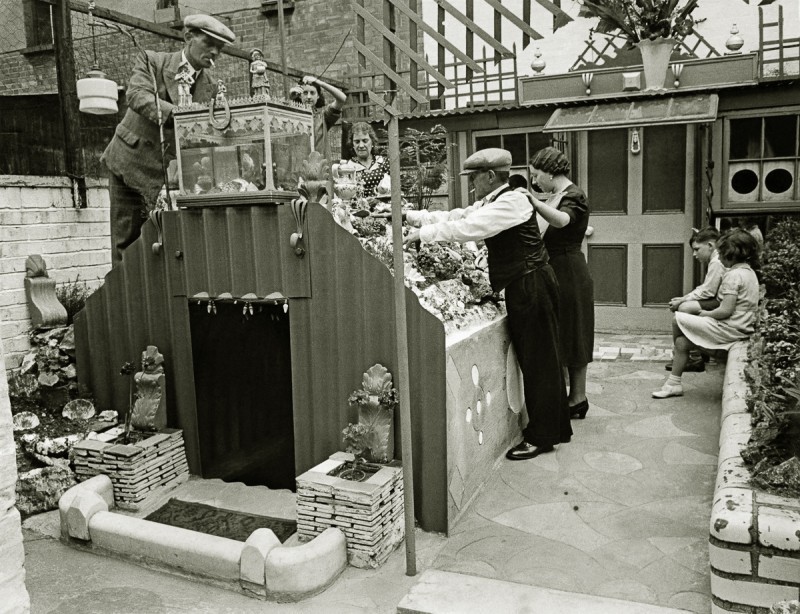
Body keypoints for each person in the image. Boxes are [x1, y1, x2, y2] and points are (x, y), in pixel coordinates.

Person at [403, 148, 572, 460]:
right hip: (527, 283)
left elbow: (470, 228)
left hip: (531, 283)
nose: (471, 184)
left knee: (538, 362)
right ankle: (555, 427)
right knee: (543, 358)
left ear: (491, 176)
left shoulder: (511, 201)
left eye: (474, 178)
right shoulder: (496, 199)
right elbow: (460, 216)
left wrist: (423, 234)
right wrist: (413, 217)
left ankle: (542, 436)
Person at [101, 14, 235, 265]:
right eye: (209, 43)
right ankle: (124, 300)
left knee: (165, 244)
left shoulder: (213, 87)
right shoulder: (153, 61)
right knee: (126, 243)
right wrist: (183, 116)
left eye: (220, 48)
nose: (215, 52)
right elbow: (137, 96)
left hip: (171, 178)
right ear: (188, 38)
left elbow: (211, 131)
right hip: (129, 164)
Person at [525, 147, 594, 420]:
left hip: (569, 271)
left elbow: (563, 221)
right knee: (566, 333)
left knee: (575, 334)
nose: (535, 181)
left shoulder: (574, 196)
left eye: (537, 175)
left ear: (551, 173)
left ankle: (577, 398)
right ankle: (573, 397)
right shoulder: (559, 195)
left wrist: (533, 202)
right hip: (558, 269)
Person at [652, 228, 760, 399]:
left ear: (729, 255)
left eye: (721, 253)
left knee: (678, 318)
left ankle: (692, 359)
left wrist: (703, 314)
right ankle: (673, 384)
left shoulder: (734, 276)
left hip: (730, 329)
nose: (718, 258)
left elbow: (725, 310)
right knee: (682, 343)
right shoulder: (748, 273)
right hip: (739, 326)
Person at [666, 226, 725, 372]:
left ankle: (691, 357)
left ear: (710, 245)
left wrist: (683, 301)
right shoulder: (715, 260)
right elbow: (706, 288)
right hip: (718, 300)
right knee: (683, 307)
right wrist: (684, 298)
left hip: (723, 302)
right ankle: (690, 355)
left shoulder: (717, 262)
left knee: (684, 309)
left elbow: (708, 291)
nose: (694, 254)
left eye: (697, 249)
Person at [299, 75, 347, 155]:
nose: (308, 97)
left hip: (321, 164)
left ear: (318, 96)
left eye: (312, 93)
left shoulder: (323, 115)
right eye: (305, 93)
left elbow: (342, 98)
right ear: (300, 95)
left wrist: (319, 82)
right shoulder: (293, 115)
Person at [348, 122, 390, 198]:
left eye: (365, 141)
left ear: (372, 142)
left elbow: (395, 189)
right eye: (357, 142)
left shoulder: (384, 163)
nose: (361, 145)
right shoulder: (348, 167)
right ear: (352, 144)